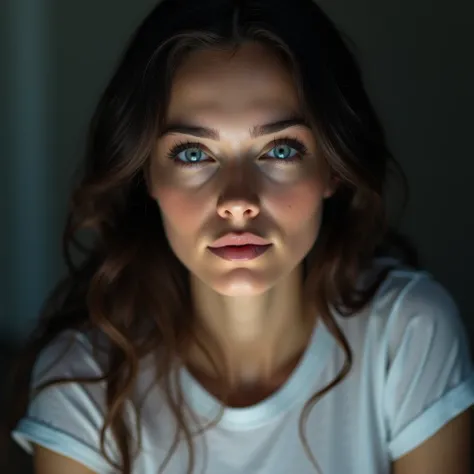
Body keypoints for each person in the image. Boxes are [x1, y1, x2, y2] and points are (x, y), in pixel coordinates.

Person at [4, 0, 474, 473]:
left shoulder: (408, 335)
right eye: (193, 154)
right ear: (146, 175)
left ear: (332, 168)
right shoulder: (85, 383)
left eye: (280, 149)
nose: (237, 199)